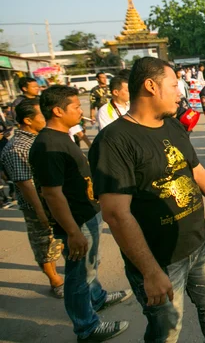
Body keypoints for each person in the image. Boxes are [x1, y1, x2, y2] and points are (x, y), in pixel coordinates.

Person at [88, 57, 205, 343]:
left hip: (201, 243)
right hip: (159, 261)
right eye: (174, 85)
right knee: (167, 331)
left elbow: (196, 172)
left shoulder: (172, 125)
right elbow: (115, 214)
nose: (180, 92)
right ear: (150, 86)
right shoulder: (113, 142)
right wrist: (149, 272)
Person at [29, 86, 131, 342]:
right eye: (75, 106)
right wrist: (73, 231)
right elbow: (52, 194)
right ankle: (86, 328)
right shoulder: (47, 145)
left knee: (89, 265)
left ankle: (96, 298)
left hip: (87, 213)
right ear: (57, 110)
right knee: (78, 274)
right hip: (76, 221)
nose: (81, 111)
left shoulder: (63, 135)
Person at [0, 99, 64, 298]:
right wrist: (41, 212)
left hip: (54, 199)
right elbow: (26, 185)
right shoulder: (17, 148)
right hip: (38, 204)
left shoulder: (40, 138)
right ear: (28, 120)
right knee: (43, 243)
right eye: (42, 116)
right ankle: (55, 281)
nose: (47, 118)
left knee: (59, 240)